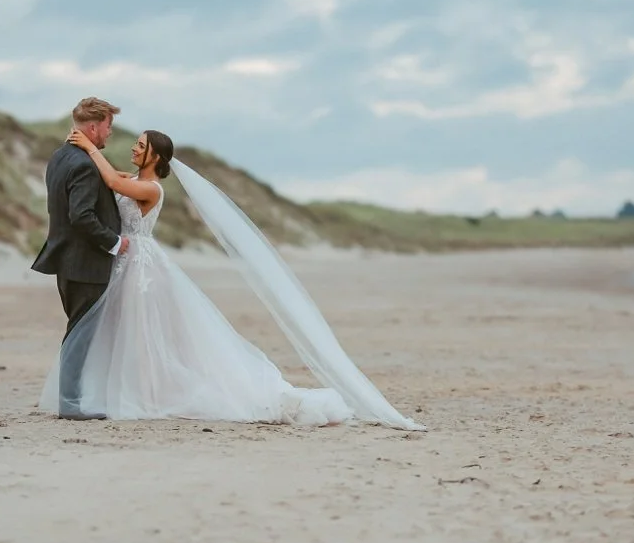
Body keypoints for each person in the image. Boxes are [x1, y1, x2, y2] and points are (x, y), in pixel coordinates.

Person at [37, 124, 423, 430]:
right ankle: (109, 391)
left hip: (141, 265)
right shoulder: (136, 177)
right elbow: (114, 178)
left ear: (155, 154)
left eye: (141, 144)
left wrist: (89, 149)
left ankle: (147, 393)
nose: (134, 148)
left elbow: (116, 184)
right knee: (121, 331)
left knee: (147, 332)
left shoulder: (150, 189)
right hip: (126, 262)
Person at [28, 97, 127, 420]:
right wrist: (114, 242)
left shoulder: (60, 157)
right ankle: (70, 403)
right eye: (109, 126)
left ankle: (74, 397)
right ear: (95, 126)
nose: (110, 133)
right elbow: (82, 216)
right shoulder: (83, 164)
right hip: (85, 263)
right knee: (81, 332)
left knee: (77, 329)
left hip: (67, 261)